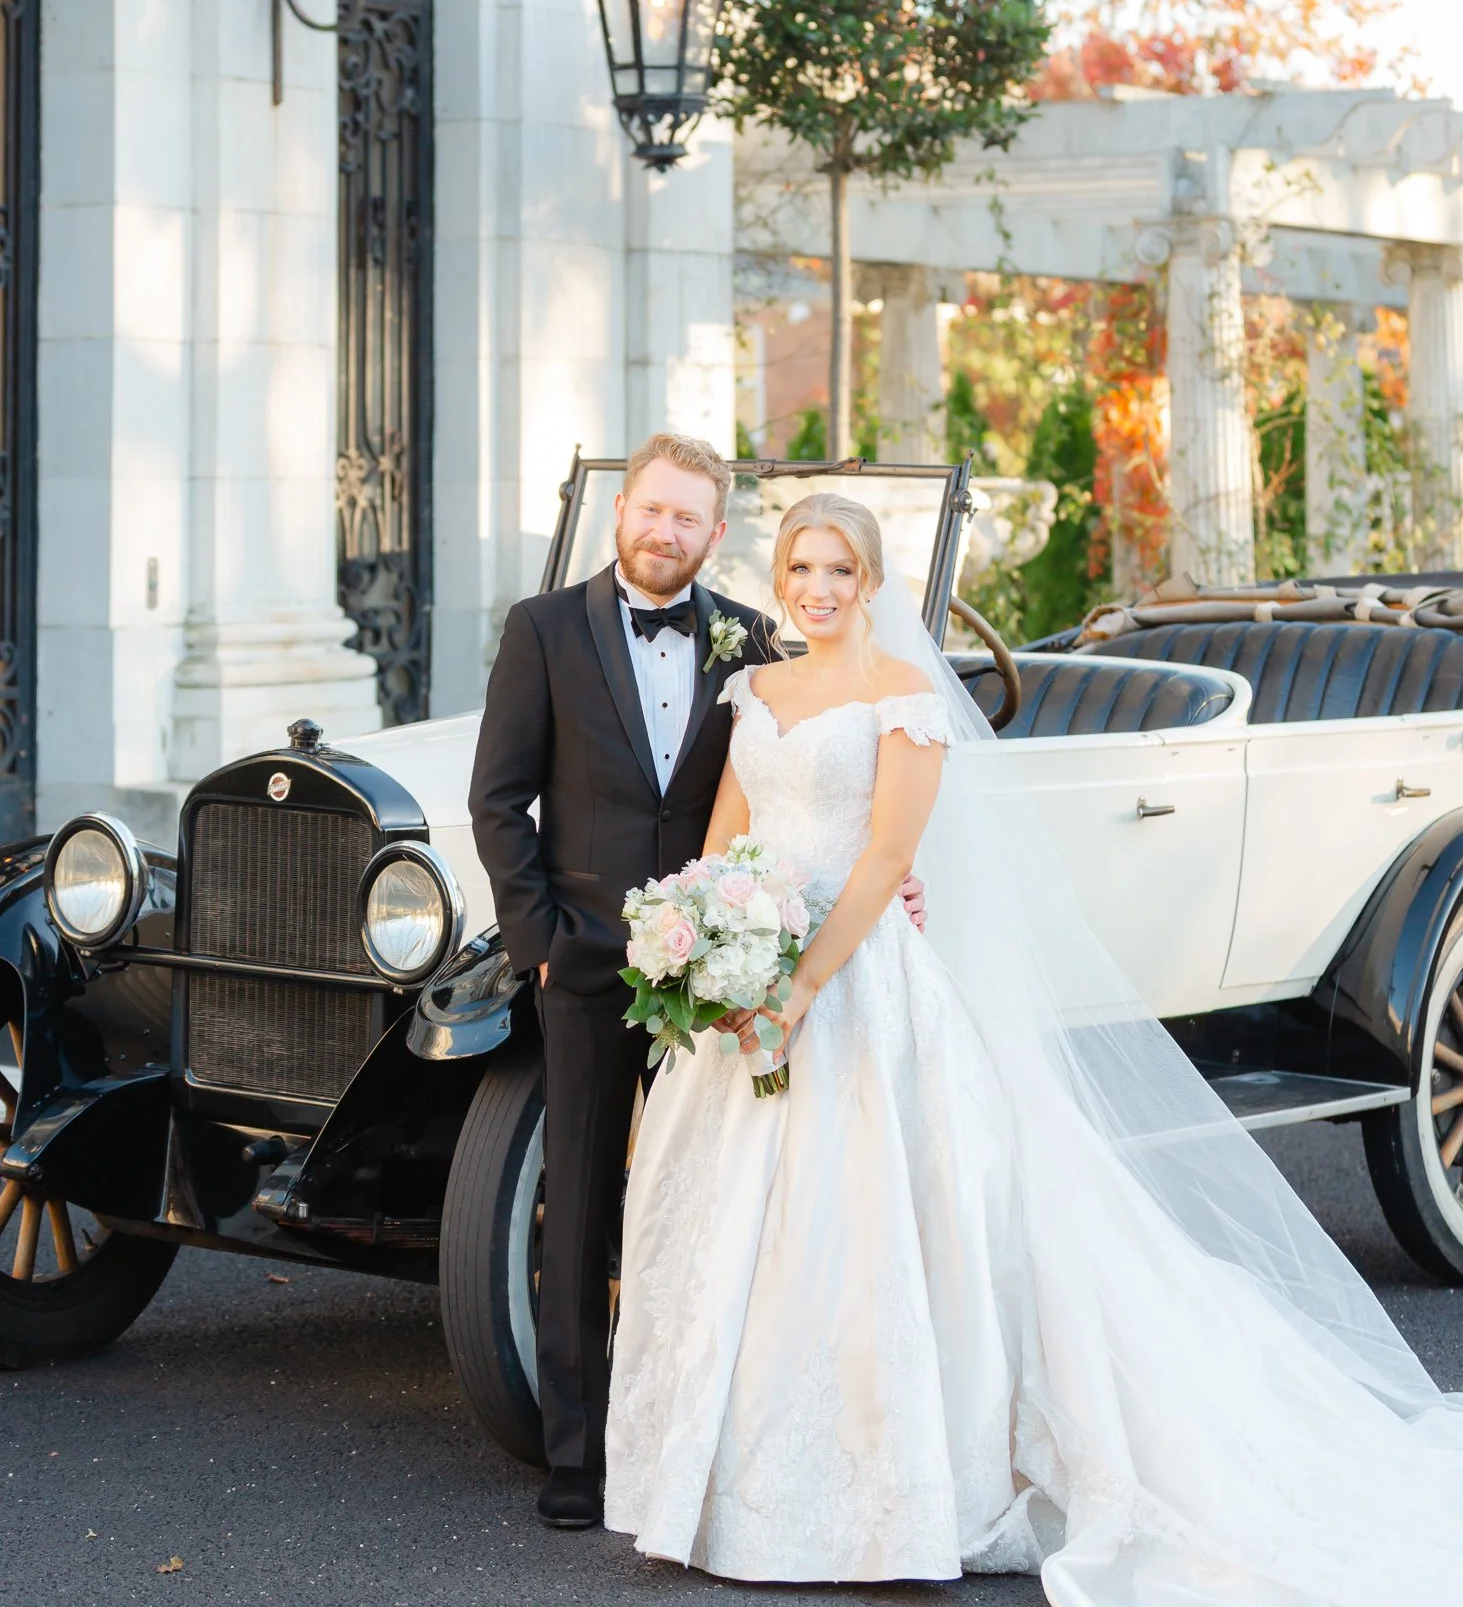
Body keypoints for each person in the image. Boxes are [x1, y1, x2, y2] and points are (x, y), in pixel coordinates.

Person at [605, 490, 1463, 1604]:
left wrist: (801, 984)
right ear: (782, 579)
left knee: (866, 1225)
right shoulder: (755, 688)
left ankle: (887, 1489)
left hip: (853, 980)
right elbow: (727, 832)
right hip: (750, 972)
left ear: (869, 583)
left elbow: (879, 862)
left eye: (840, 572)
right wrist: (712, 941)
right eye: (802, 570)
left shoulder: (903, 697)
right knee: (731, 1226)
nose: (817, 590)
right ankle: (712, 1479)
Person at [469, 436, 925, 1530]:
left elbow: (835, 765)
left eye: (689, 519)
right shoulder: (542, 630)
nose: (664, 532)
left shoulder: (754, 637)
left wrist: (901, 881)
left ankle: (708, 1428)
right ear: (619, 510)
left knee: (722, 1200)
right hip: (586, 956)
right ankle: (578, 1454)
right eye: (651, 510)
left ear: (715, 535)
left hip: (733, 963)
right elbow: (497, 799)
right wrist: (539, 938)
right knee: (578, 1202)